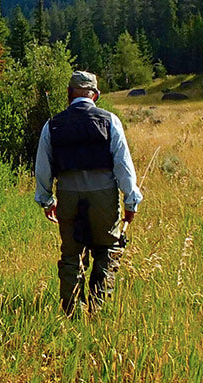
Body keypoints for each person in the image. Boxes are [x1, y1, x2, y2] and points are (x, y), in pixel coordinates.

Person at [33, 70, 143, 314]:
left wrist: (47, 200)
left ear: (69, 95)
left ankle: (73, 312)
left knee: (72, 253)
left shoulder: (52, 125)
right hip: (104, 196)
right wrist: (130, 202)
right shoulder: (110, 121)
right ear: (96, 95)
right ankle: (98, 309)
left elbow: (43, 168)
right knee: (107, 249)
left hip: (68, 196)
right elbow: (123, 166)